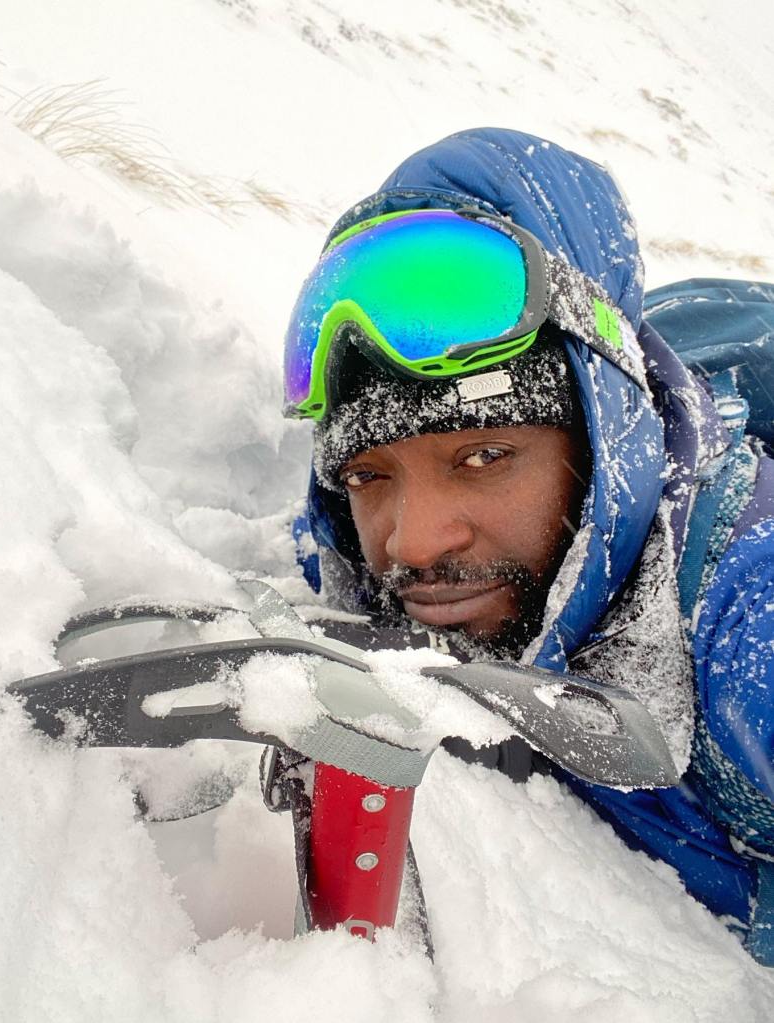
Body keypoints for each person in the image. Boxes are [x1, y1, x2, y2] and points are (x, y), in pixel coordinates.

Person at [282, 128, 774, 965]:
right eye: (369, 476)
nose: (413, 542)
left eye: (482, 457)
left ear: (601, 442)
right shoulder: (362, 554)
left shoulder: (744, 623)